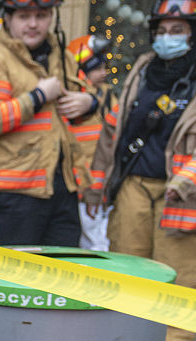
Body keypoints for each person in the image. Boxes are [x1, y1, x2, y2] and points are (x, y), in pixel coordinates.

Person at [84, 0, 196, 341]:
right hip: (134, 185)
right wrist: (97, 186)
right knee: (128, 264)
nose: (167, 37)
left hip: (182, 192)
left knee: (180, 271)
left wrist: (186, 179)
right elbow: (113, 131)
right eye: (163, 30)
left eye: (178, 30)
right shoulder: (142, 68)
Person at [0, 0, 96, 247]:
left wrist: (89, 103)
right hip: (10, 193)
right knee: (15, 278)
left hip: (59, 187)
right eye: (24, 16)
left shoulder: (61, 55)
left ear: (52, 17)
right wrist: (37, 97)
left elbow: (73, 109)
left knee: (63, 274)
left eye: (41, 15)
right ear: (8, 19)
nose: (33, 24)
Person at [67, 34, 114, 251]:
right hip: (79, 186)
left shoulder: (107, 96)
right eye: (97, 68)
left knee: (97, 241)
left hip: (100, 185)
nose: (104, 73)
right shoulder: (69, 98)